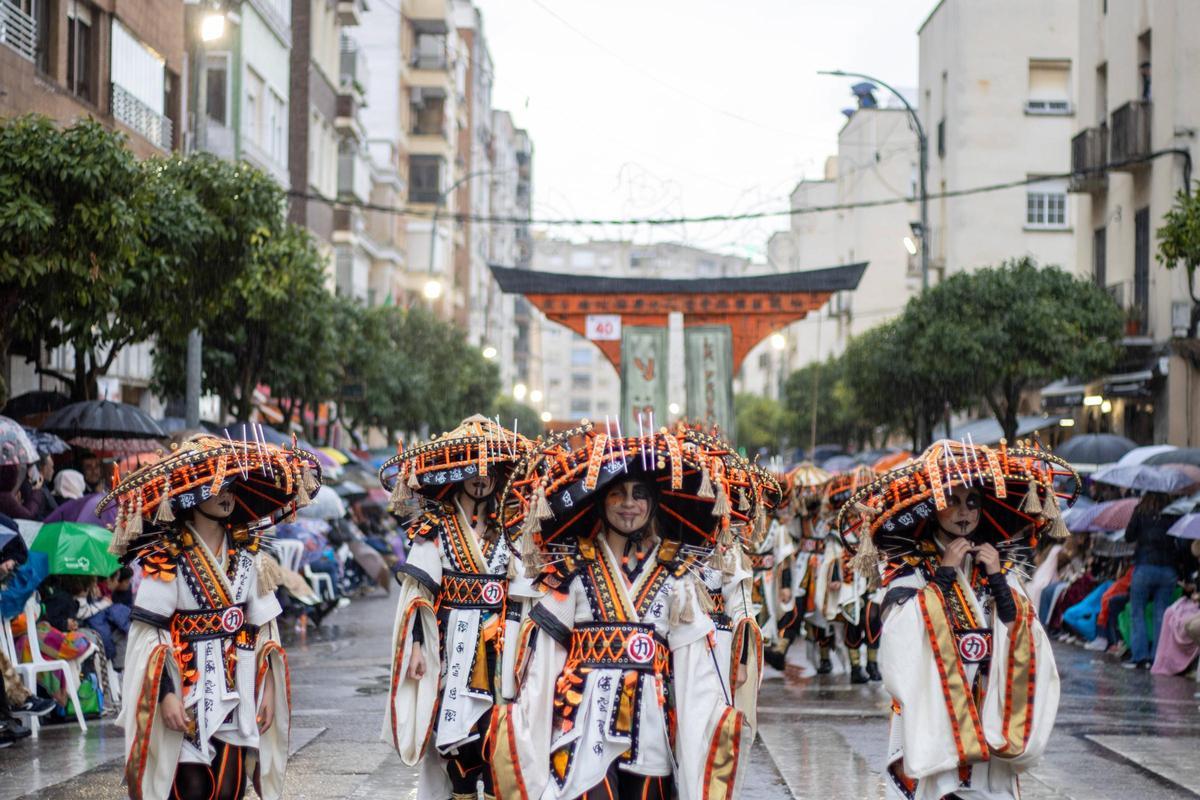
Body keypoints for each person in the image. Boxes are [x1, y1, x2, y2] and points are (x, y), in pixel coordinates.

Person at [490, 423, 768, 800]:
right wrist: (527, 721)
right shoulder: (573, 570)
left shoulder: (678, 577)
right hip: (583, 726)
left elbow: (692, 669)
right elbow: (544, 663)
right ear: (601, 502)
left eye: (639, 494)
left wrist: (710, 721)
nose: (628, 504)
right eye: (617, 494)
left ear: (652, 503)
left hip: (651, 732)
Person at [839, 440, 1073, 800]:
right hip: (937, 705)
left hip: (986, 701)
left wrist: (996, 577)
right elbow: (900, 636)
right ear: (934, 508)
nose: (964, 512)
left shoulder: (998, 563)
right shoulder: (910, 569)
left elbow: (1022, 630)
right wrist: (944, 575)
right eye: (952, 501)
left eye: (973, 502)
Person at [100, 433, 318, 800]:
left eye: (231, 483)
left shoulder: (249, 558)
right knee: (191, 789)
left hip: (238, 688)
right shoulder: (167, 560)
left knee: (231, 788)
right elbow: (147, 635)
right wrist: (165, 695)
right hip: (187, 693)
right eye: (217, 484)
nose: (227, 493)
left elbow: (264, 629)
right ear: (193, 495)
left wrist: (267, 689)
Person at [380, 415, 537, 800]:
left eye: (488, 469)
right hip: (450, 641)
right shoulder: (435, 526)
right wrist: (417, 647)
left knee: (496, 733)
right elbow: (419, 594)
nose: (480, 477)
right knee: (456, 743)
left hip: (501, 641)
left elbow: (526, 594)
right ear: (457, 472)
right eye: (472, 467)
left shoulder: (514, 527)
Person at [1124, 491, 1182, 669]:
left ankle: (1140, 657)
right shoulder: (1174, 513)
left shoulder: (1141, 510)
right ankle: (1158, 658)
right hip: (1168, 569)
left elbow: (1128, 536)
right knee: (1161, 614)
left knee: (1138, 612)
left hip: (1145, 566)